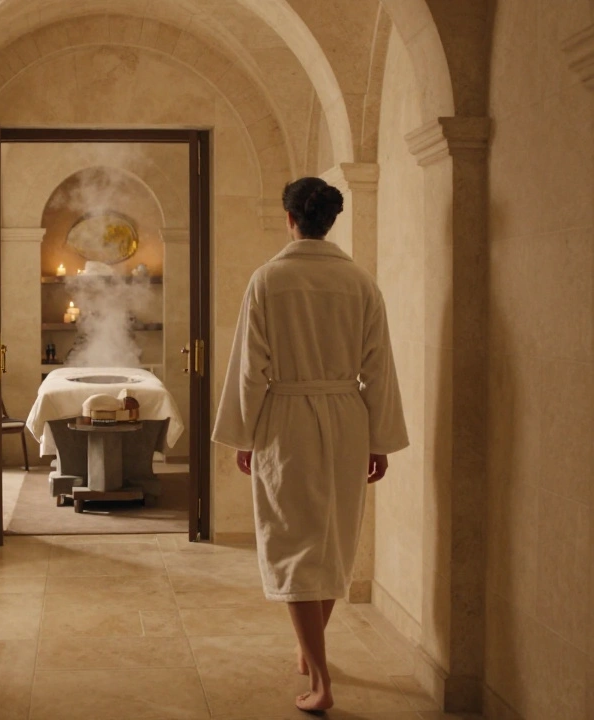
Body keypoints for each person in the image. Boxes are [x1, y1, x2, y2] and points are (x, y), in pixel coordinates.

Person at [212, 176, 409, 713]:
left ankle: (321, 679)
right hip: (347, 415)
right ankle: (309, 648)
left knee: (292, 540)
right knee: (330, 536)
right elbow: (379, 368)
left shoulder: (268, 280)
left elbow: (251, 367)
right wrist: (380, 438)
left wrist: (244, 434)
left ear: (289, 218)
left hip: (288, 418)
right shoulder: (360, 283)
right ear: (331, 220)